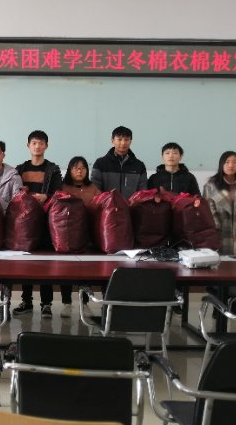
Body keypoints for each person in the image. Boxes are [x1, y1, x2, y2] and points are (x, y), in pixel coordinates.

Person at [12, 130, 63, 319]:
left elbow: (58, 192)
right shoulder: (20, 169)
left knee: (45, 261)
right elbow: (15, 193)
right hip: (25, 221)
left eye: (41, 143)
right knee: (26, 260)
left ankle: (46, 304)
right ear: (28, 146)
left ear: (46, 146)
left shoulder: (53, 169)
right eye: (34, 143)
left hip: (46, 219)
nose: (37, 146)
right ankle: (26, 301)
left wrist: (46, 196)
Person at [59, 155, 101, 317]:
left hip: (88, 236)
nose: (79, 171)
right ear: (70, 170)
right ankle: (66, 303)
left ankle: (85, 303)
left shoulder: (93, 188)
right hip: (67, 236)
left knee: (85, 272)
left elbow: (101, 205)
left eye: (83, 168)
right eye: (76, 168)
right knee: (66, 271)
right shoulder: (63, 188)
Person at [90, 125, 147, 199]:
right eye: (119, 139)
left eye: (126, 139)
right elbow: (95, 190)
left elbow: (143, 192)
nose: (123, 143)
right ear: (112, 140)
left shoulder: (139, 166)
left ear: (130, 141)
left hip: (132, 206)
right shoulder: (100, 164)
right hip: (107, 206)